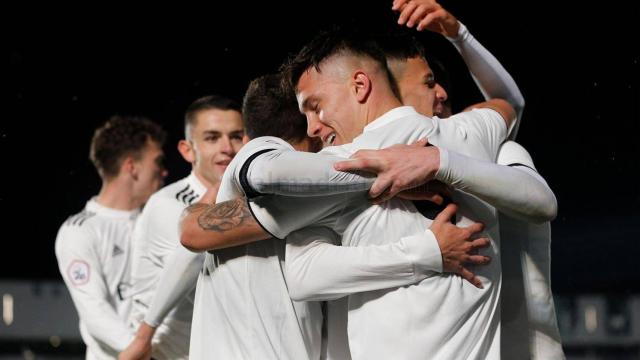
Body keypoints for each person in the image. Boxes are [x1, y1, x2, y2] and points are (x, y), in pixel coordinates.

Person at [388, 1, 565, 357]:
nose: (442, 93)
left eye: (438, 83)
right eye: (428, 84)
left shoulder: (497, 151)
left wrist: (459, 34)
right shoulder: (388, 173)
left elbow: (543, 202)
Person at [120, 95, 243, 360]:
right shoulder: (170, 206)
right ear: (188, 150)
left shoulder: (242, 201)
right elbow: (198, 260)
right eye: (212, 138)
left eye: (236, 136)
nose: (227, 148)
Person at [55, 115, 166, 360]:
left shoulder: (159, 221)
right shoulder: (79, 231)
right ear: (131, 166)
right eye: (157, 162)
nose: (164, 171)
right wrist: (147, 352)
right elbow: (95, 312)